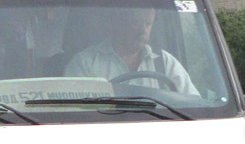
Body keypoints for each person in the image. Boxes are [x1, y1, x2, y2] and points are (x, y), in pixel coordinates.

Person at [64, 7, 199, 95]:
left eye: (147, 24)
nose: (143, 31)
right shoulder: (86, 63)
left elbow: (193, 104)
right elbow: (71, 112)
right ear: (119, 23)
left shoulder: (165, 62)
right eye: (136, 23)